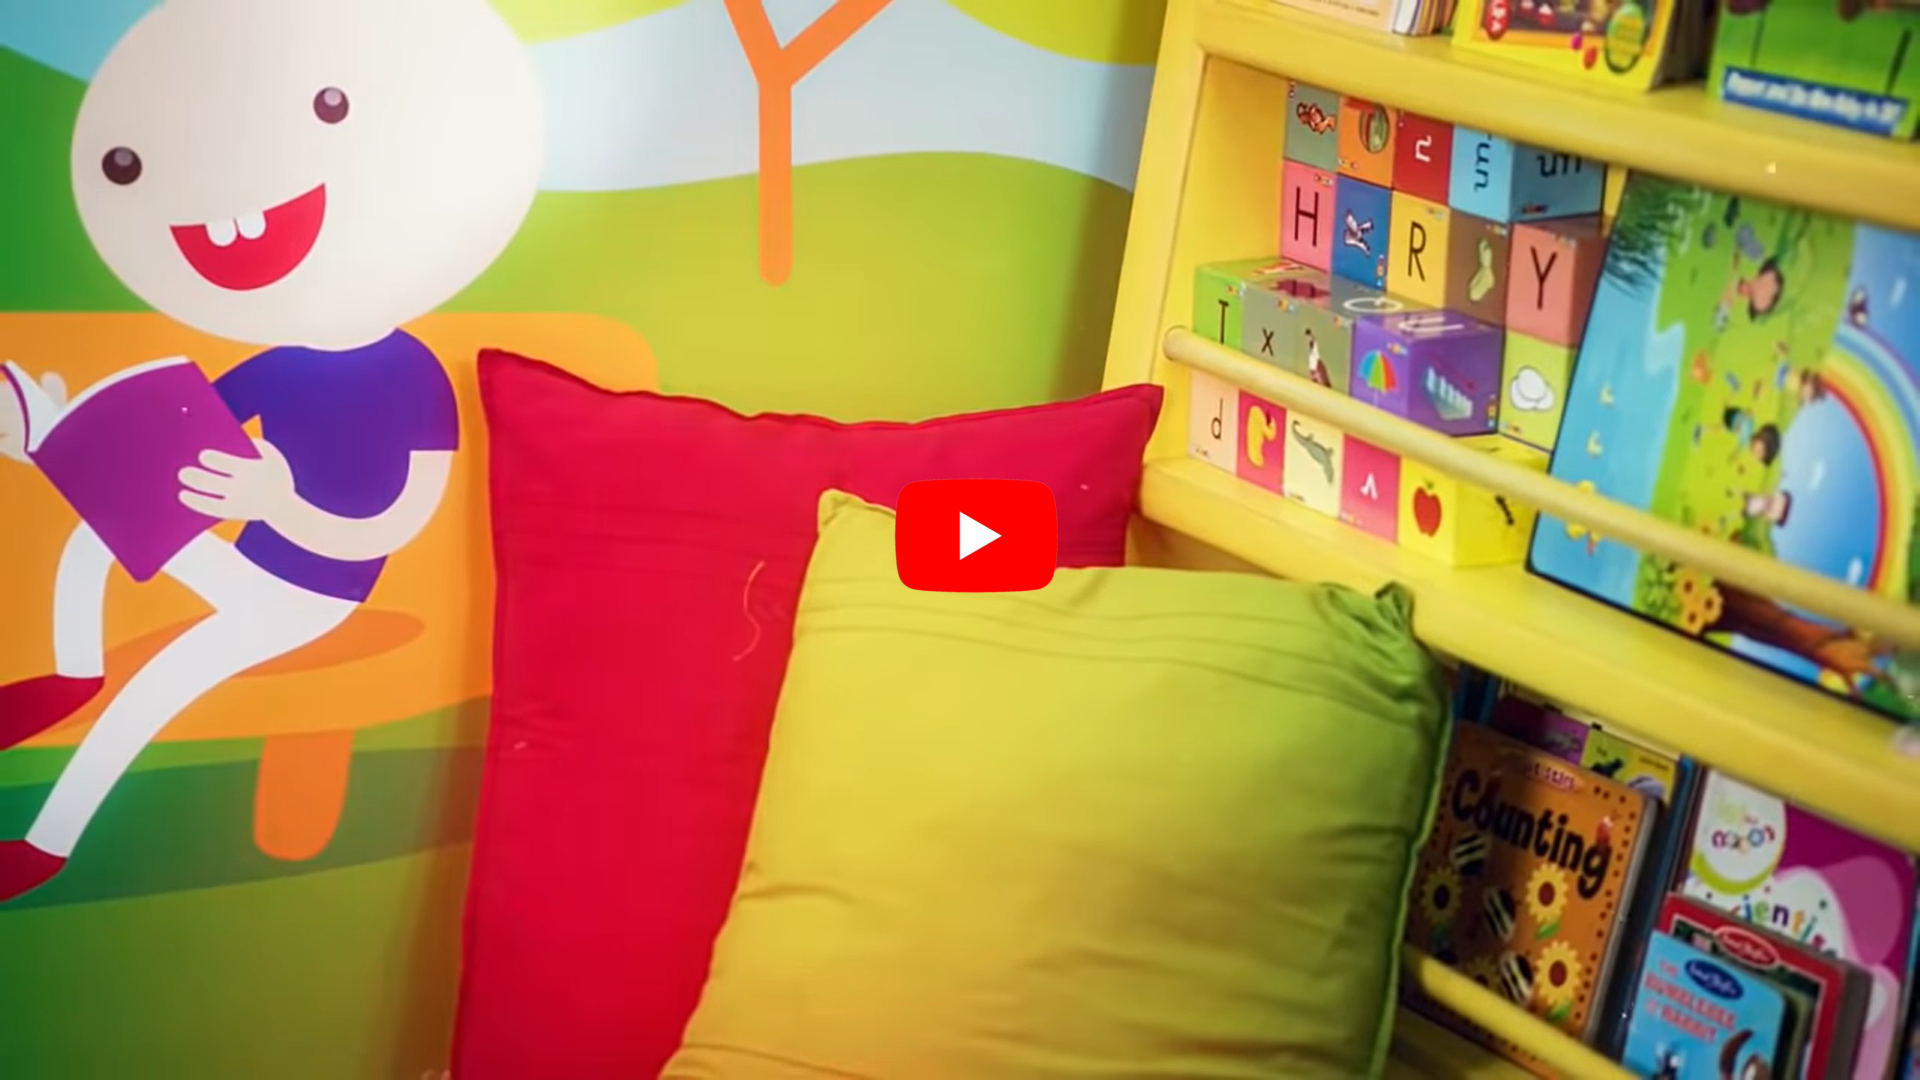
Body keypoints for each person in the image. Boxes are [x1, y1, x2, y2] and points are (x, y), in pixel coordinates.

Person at [0, 0, 544, 901]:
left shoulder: (415, 376)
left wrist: (277, 505)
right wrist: (51, 442)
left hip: (306, 596)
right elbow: (163, 451)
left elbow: (392, 526)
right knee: (94, 537)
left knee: (154, 690)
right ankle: (71, 673)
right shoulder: (278, 360)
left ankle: (44, 843)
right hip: (245, 561)